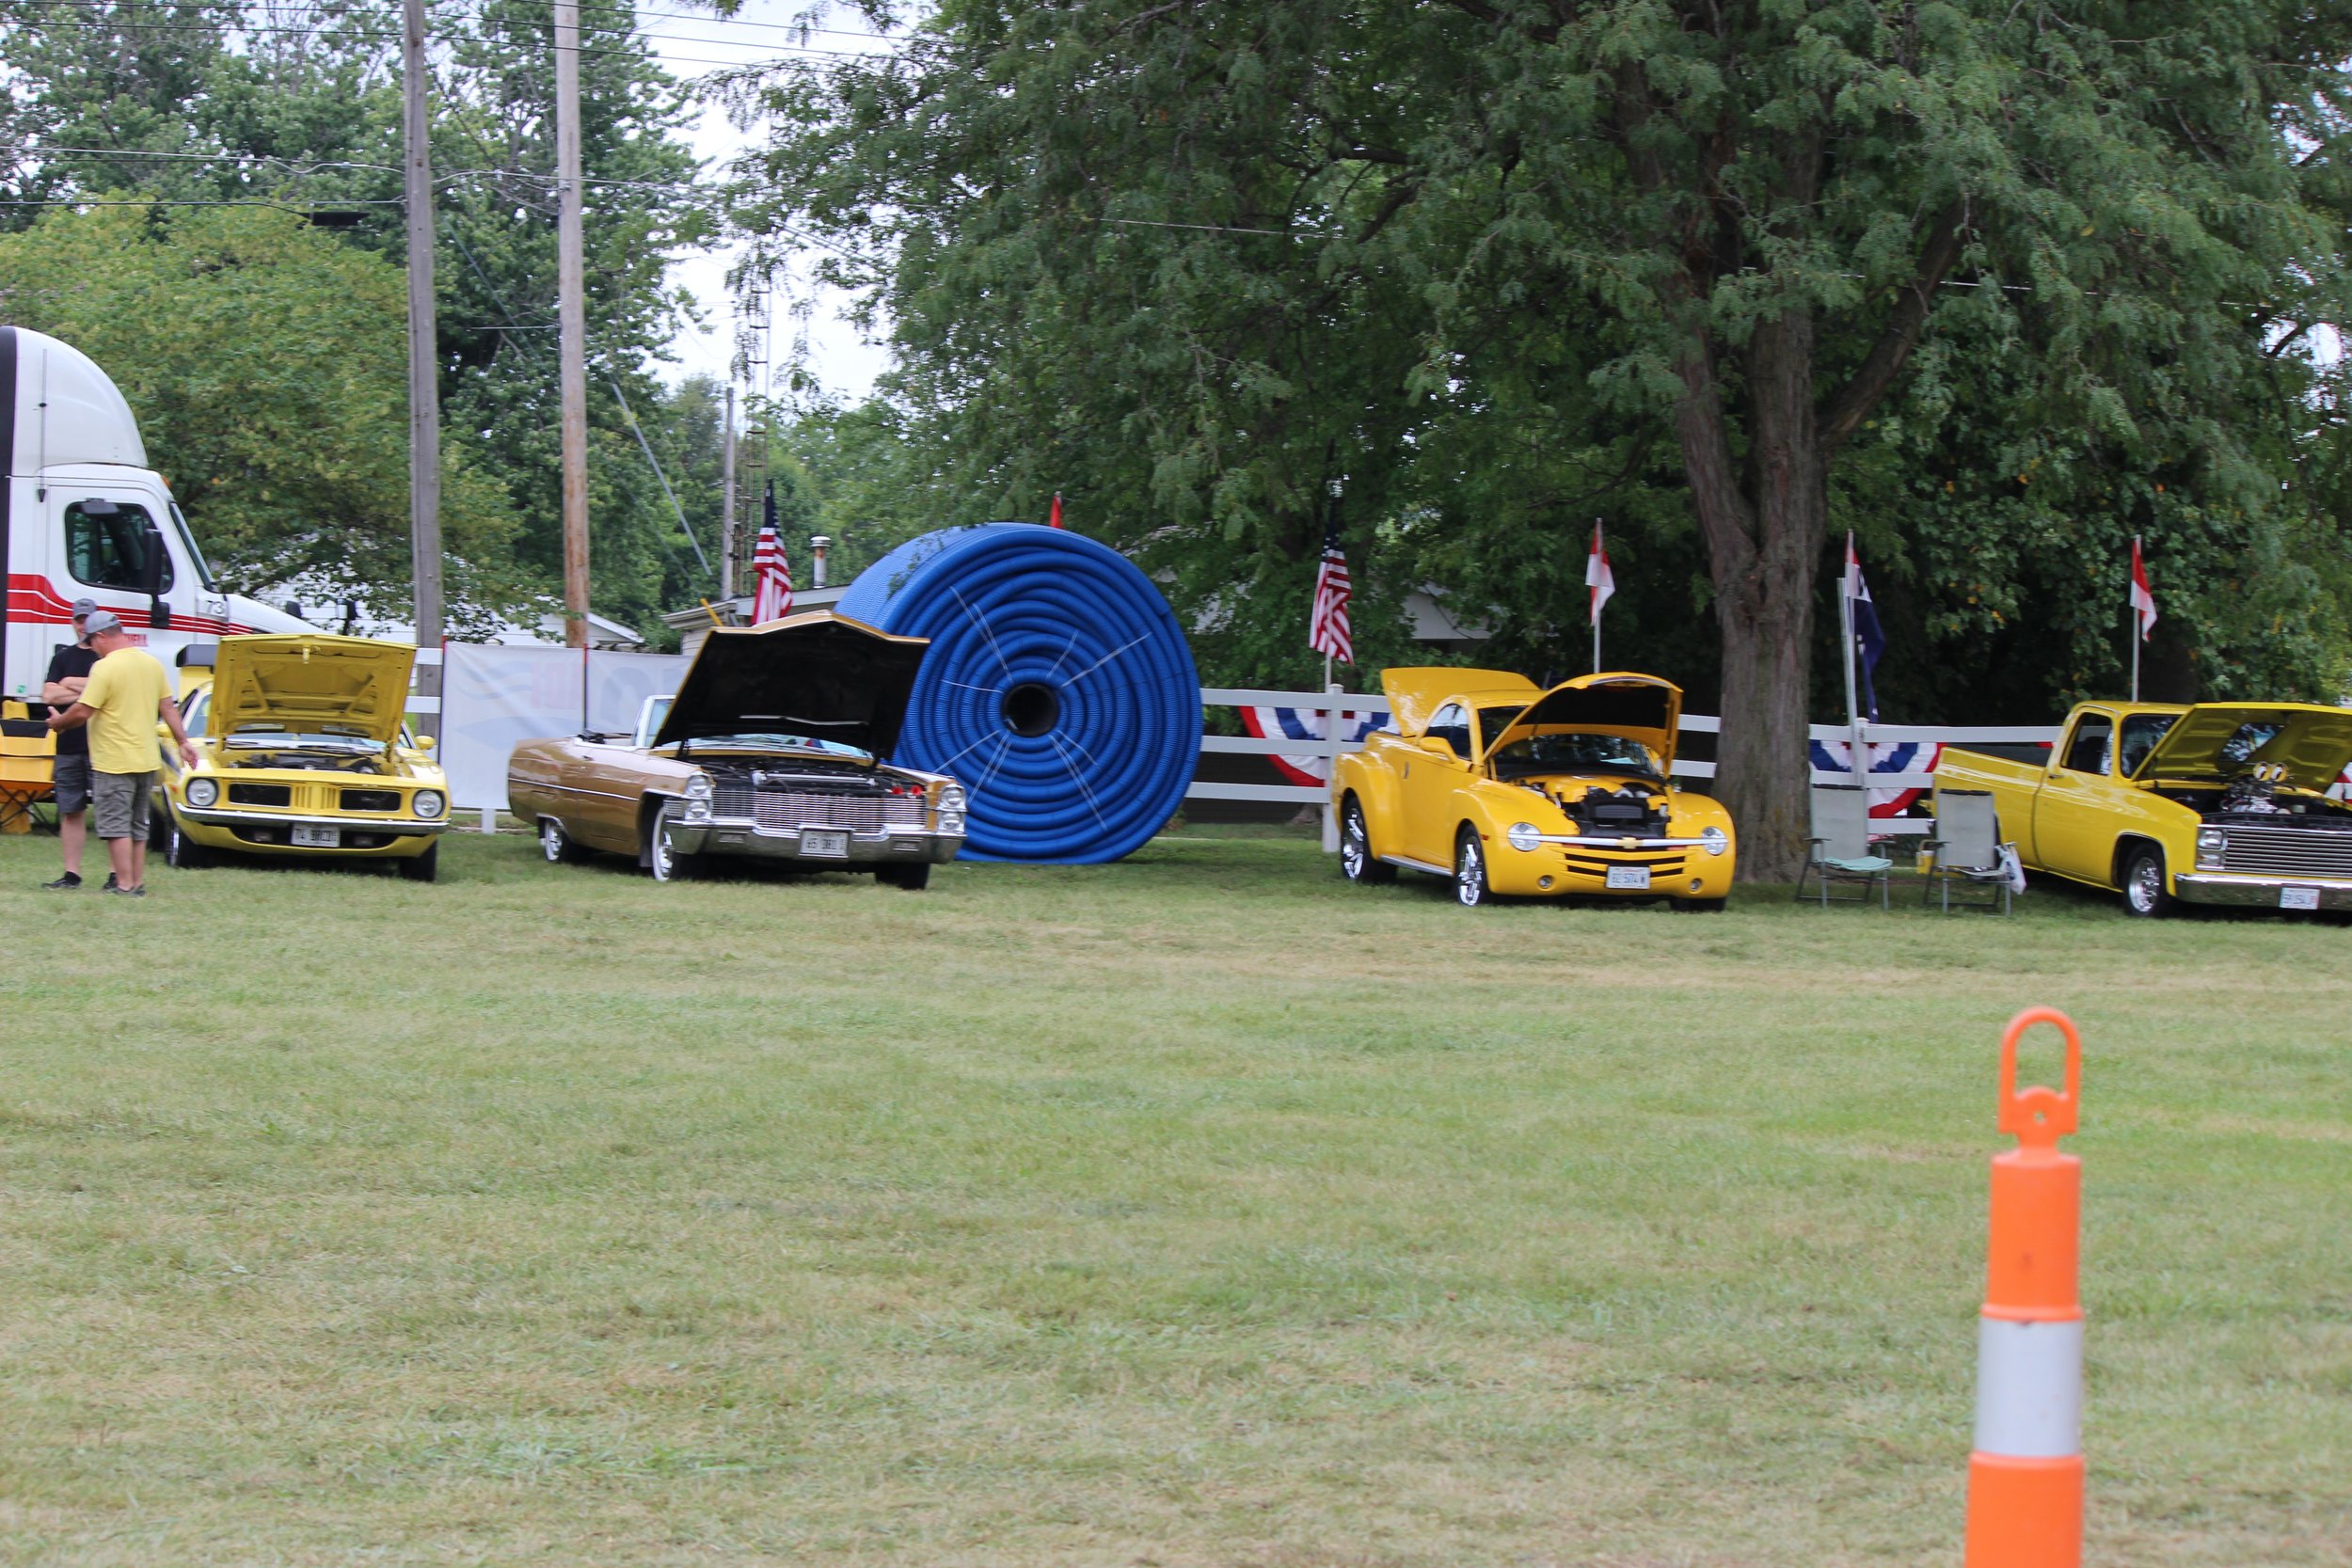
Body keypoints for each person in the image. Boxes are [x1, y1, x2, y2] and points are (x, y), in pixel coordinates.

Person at [45, 610, 198, 897]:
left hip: (114, 761)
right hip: (146, 760)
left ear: (102, 637)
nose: (92, 648)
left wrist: (59, 724)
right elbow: (167, 707)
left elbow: (82, 710)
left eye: (92, 641)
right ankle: (136, 883)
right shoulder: (151, 664)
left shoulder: (105, 667)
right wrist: (183, 742)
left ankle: (124, 885)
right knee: (137, 826)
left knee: (116, 826)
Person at [38, 597, 100, 890]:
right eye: (79, 619)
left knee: (109, 812)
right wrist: (90, 690)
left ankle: (117, 875)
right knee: (70, 810)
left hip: (101, 746)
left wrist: (68, 684)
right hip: (67, 746)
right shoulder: (62, 657)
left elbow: (110, 690)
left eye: (88, 619)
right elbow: (49, 695)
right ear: (72, 622)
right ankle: (71, 875)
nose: (83, 625)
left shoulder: (106, 658)